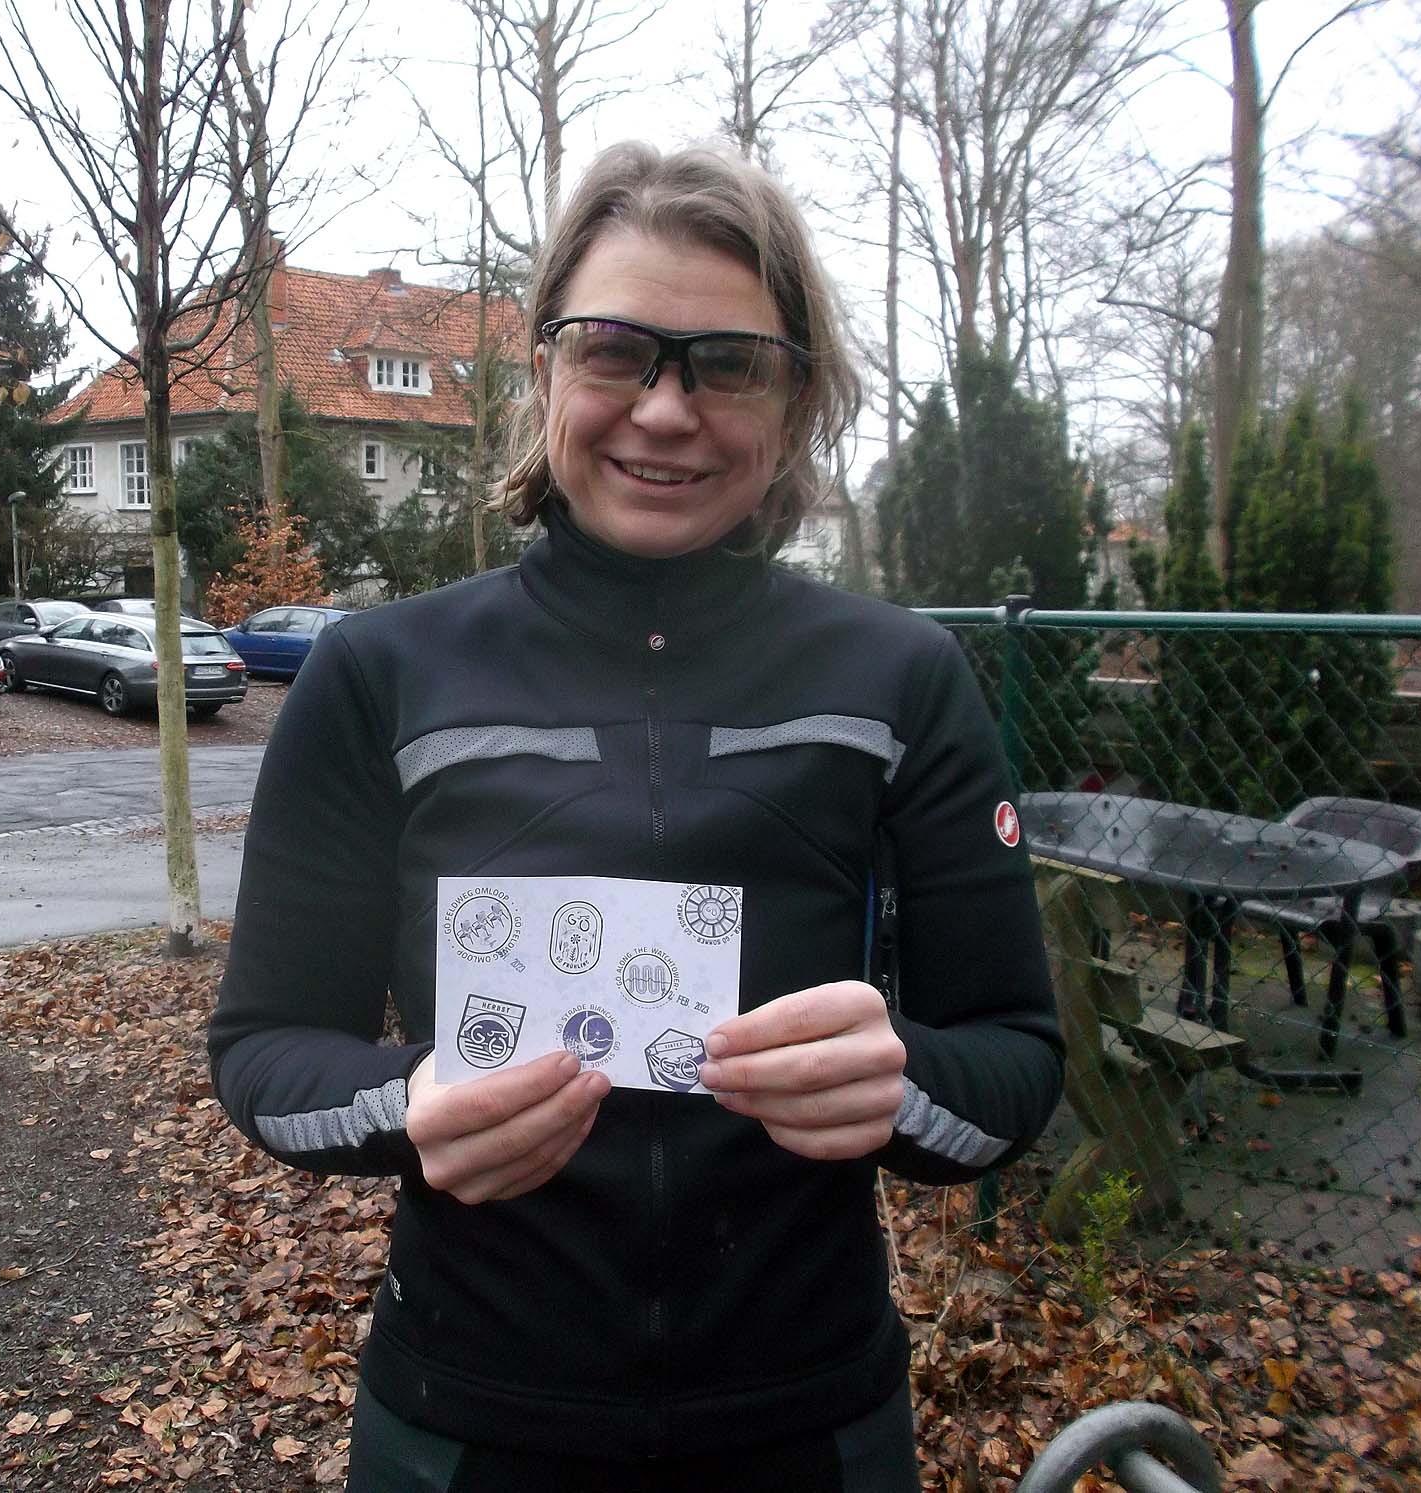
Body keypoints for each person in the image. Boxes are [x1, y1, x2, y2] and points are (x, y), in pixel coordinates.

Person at [207, 141, 1063, 1492]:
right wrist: (405, 1105)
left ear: (795, 400)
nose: (665, 410)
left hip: (809, 1428)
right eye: (615, 351)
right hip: (469, 1427)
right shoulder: (378, 676)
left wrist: (902, 1083)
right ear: (545, 367)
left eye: (728, 363)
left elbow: (1017, 1060)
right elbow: (264, 1052)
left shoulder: (902, 680)